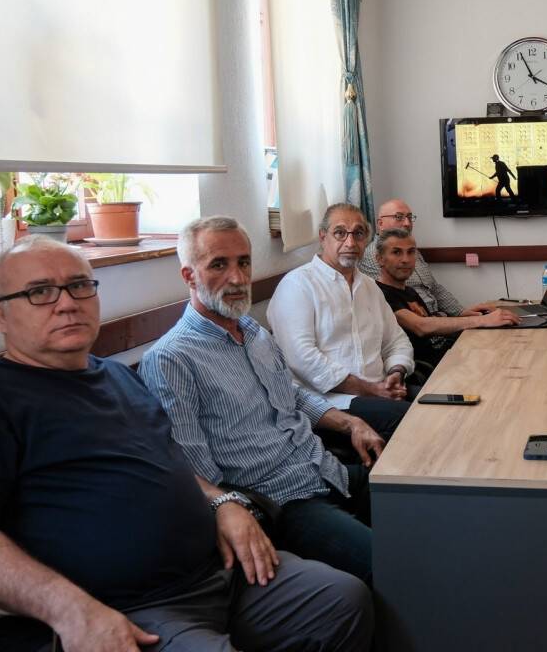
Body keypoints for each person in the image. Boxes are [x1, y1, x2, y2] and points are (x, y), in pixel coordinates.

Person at [0, 236, 372, 651]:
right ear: (1, 315)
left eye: (79, 286)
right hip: (122, 608)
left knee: (343, 600)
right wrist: (71, 610)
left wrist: (223, 502)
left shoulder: (113, 376)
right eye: (39, 292)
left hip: (220, 574)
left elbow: (173, 466)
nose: (66, 303)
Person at [141, 216, 389, 583]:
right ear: (189, 276)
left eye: (243, 262)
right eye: (218, 265)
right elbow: (189, 467)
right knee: (394, 564)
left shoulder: (254, 332)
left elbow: (292, 396)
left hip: (324, 469)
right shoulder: (171, 359)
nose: (238, 278)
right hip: (284, 504)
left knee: (430, 508)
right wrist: (228, 509)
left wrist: (350, 423)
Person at [269, 203, 415, 415]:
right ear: (322, 236)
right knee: (418, 422)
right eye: (340, 233)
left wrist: (396, 371)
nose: (350, 242)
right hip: (333, 403)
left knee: (440, 401)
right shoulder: (297, 285)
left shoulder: (370, 287)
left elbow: (396, 341)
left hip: (382, 389)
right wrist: (370, 390)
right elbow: (302, 358)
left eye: (358, 233)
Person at [373, 228, 520, 368]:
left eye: (411, 252)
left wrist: (465, 314)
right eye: (396, 252)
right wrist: (482, 320)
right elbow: (421, 327)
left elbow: (433, 325)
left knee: (509, 349)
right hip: (428, 369)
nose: (405, 259)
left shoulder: (409, 291)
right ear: (380, 259)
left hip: (445, 354)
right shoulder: (378, 293)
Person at [358, 197, 499, 318]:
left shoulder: (413, 250)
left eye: (409, 217)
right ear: (380, 224)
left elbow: (435, 288)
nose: (407, 223)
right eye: (399, 217)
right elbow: (399, 307)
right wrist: (465, 322)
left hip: (438, 319)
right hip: (423, 327)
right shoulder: (373, 255)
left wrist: (462, 312)